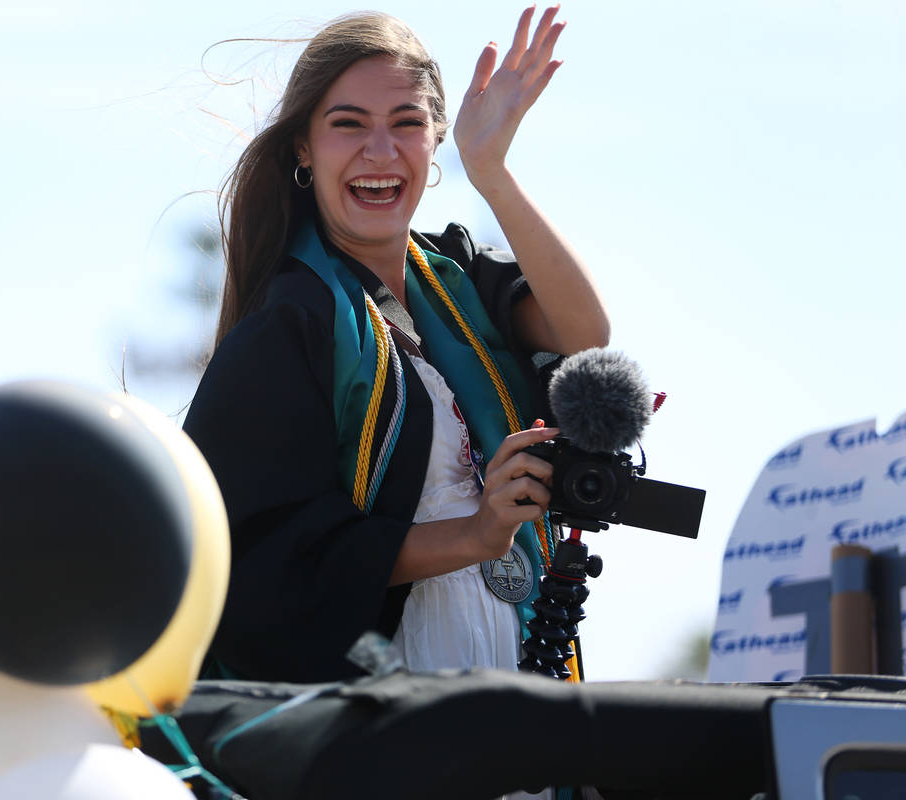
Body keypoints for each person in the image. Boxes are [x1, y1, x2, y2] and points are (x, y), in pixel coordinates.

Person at [184, 6, 609, 684]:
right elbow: (267, 560)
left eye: (407, 124)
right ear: (303, 147)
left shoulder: (460, 282)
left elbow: (586, 337)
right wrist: (474, 535)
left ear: (435, 138)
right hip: (387, 680)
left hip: (513, 653)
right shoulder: (289, 329)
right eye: (348, 124)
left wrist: (489, 169)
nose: (380, 153)